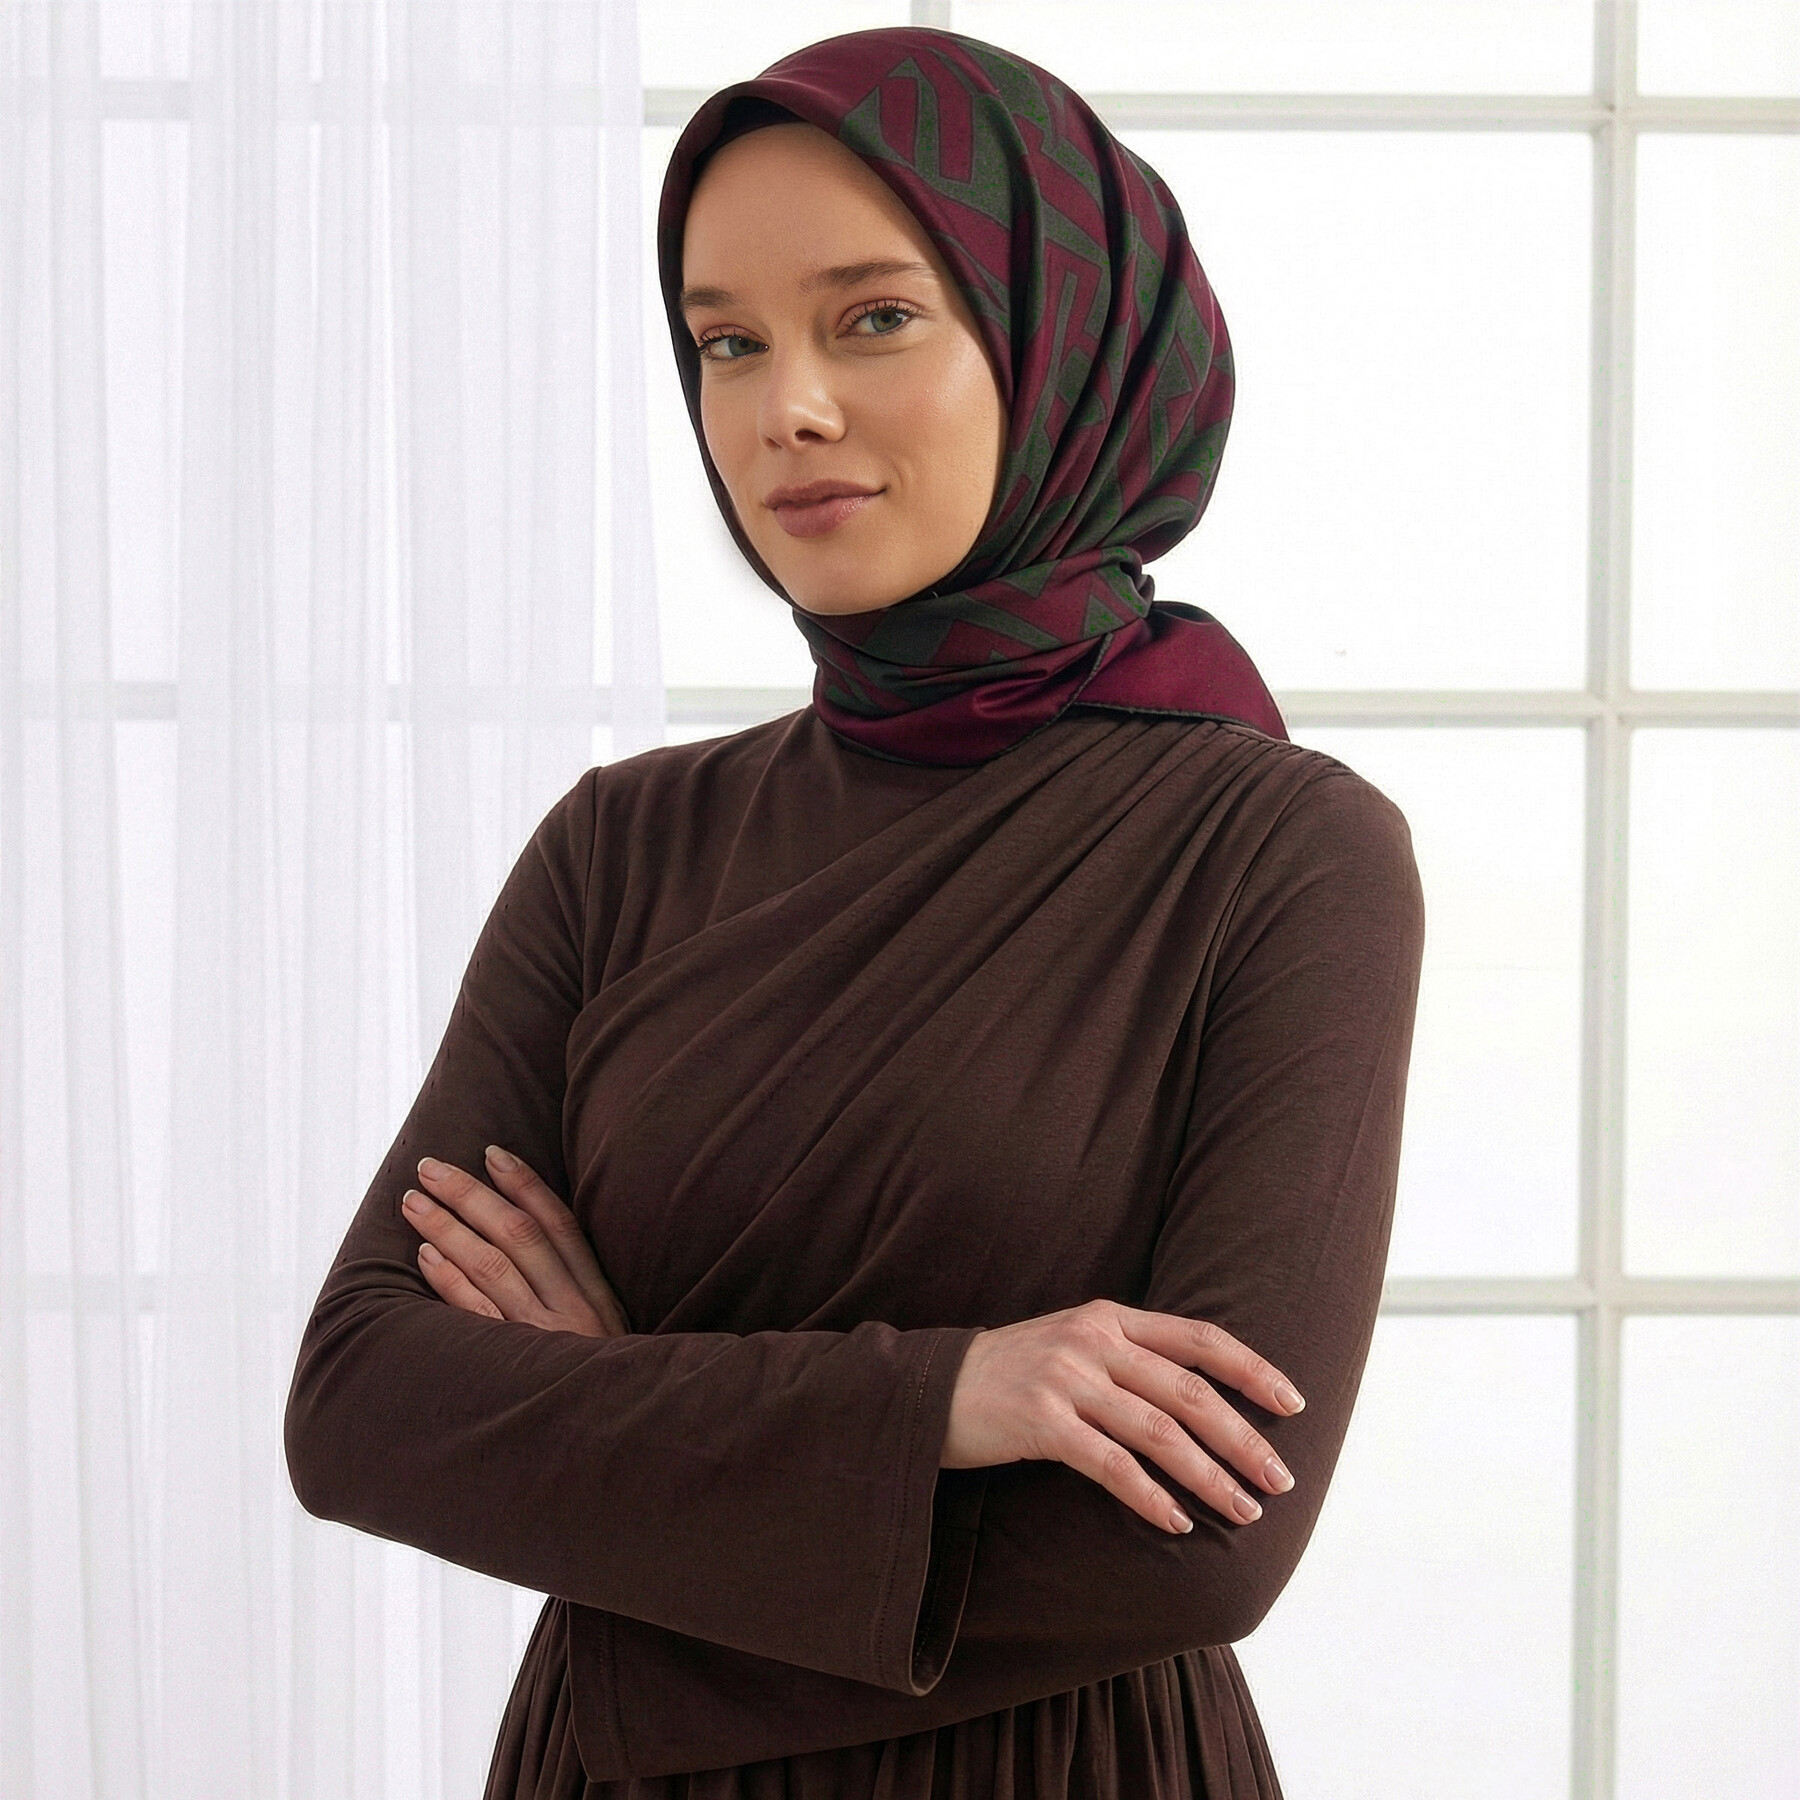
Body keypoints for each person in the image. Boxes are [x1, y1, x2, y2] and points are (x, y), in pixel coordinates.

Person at [284, 25, 1426, 1800]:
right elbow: (361, 1406)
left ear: (1062, 341)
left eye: (874, 317)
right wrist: (944, 1402)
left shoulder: (1276, 853)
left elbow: (1203, 1545)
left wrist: (619, 1427)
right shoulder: (622, 846)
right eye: (726, 342)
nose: (783, 411)